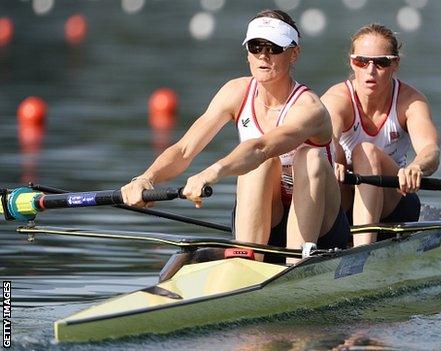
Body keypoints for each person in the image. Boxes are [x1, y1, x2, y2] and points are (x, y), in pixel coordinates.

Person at [121, 9, 349, 263]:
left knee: (309, 157)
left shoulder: (310, 108)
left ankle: (296, 264)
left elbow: (261, 147)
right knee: (258, 167)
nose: (263, 55)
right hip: (265, 216)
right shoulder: (235, 92)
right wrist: (146, 178)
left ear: (294, 53)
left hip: (322, 226)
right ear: (247, 53)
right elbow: (184, 150)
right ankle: (247, 262)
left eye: (274, 47)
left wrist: (211, 173)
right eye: (255, 46)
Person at [321, 23, 440, 246]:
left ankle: (362, 250)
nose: (370, 71)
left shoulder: (410, 101)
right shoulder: (337, 99)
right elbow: (328, 138)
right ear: (351, 62)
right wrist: (328, 158)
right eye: (361, 61)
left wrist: (416, 168)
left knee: (365, 151)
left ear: (395, 63)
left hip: (395, 205)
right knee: (329, 156)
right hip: (345, 201)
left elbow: (430, 150)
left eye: (381, 62)